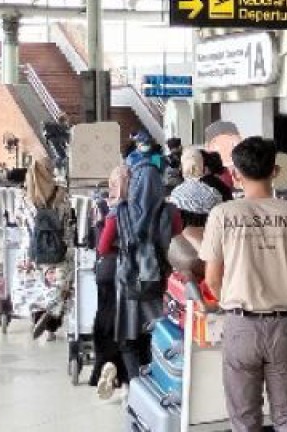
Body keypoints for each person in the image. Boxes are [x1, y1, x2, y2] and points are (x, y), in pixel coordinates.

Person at [200, 137, 287, 432]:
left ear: (236, 175)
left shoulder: (223, 215)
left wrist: (229, 300)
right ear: (276, 171)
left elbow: (212, 278)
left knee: (244, 419)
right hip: (286, 324)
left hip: (241, 324)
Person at [98, 162, 182, 382]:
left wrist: (125, 248)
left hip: (129, 283)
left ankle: (135, 383)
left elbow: (103, 248)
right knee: (159, 334)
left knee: (129, 339)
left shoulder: (120, 211)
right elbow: (178, 242)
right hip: (161, 282)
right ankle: (158, 381)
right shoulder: (171, 212)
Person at [14, 158, 74, 340]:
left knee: (34, 288)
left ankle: (38, 317)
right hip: (57, 249)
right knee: (59, 286)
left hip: (30, 252)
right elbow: (68, 223)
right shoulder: (61, 195)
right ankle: (51, 325)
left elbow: (19, 222)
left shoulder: (23, 197)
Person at [90, 165, 130, 399]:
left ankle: (104, 364)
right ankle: (127, 376)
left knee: (105, 318)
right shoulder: (141, 209)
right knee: (130, 324)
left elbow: (102, 246)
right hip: (134, 273)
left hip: (108, 269)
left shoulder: (108, 208)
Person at [170, 147, 223, 228]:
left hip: (181, 237)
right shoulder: (214, 193)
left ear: (182, 167)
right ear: (202, 165)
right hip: (208, 236)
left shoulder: (175, 194)